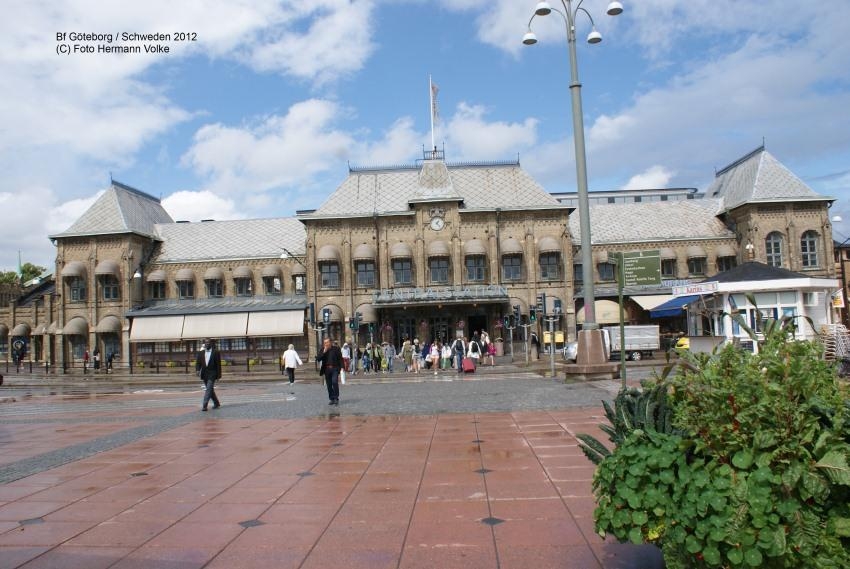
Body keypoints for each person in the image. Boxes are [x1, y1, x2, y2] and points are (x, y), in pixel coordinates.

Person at [195, 338, 222, 411]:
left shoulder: (216, 352)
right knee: (210, 390)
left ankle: (204, 405)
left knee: (208, 389)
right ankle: (216, 403)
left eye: (208, 342)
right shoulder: (201, 353)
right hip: (204, 374)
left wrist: (219, 376)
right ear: (204, 344)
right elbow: (198, 363)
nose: (207, 344)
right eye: (206, 343)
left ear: (211, 344)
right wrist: (197, 370)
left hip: (212, 373)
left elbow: (218, 365)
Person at [317, 337, 343, 405]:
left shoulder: (336, 349)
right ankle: (331, 399)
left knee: (334, 382)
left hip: (335, 368)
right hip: (326, 369)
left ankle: (336, 398)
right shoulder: (323, 349)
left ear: (330, 342)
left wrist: (342, 367)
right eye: (324, 343)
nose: (326, 344)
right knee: (329, 385)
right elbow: (318, 359)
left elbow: (340, 358)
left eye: (327, 342)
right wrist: (324, 352)